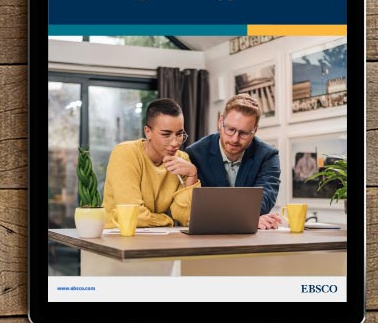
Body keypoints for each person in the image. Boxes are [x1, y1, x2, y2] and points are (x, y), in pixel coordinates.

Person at [186, 94, 282, 230]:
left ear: (254, 131)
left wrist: (249, 218)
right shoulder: (195, 154)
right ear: (220, 122)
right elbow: (196, 207)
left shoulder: (268, 155)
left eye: (243, 133)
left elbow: (265, 198)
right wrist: (249, 219)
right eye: (230, 129)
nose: (235, 139)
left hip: (251, 240)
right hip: (207, 236)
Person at [103, 98, 200, 227]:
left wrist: (192, 174)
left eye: (179, 134)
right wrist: (167, 220)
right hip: (114, 238)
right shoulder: (125, 153)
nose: (175, 143)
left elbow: (188, 219)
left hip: (157, 238)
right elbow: (134, 216)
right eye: (166, 135)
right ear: (148, 132)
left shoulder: (182, 160)